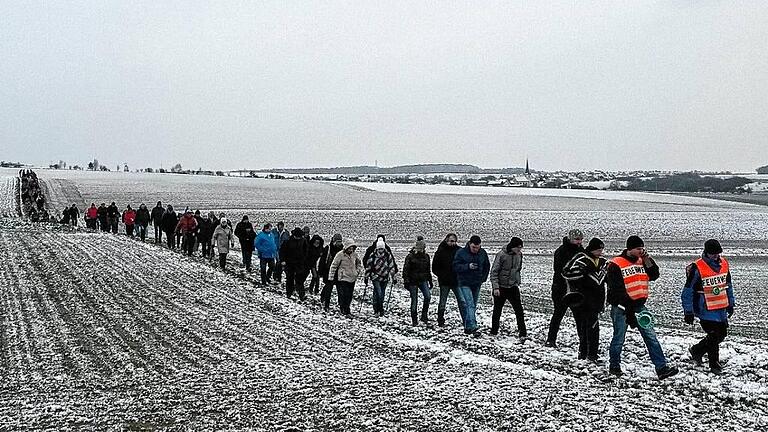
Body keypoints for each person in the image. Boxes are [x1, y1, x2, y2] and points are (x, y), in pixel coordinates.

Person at [607, 236, 678, 379]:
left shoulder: (643, 261)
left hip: (639, 306)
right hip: (622, 308)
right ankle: (614, 366)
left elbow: (654, 275)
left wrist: (647, 260)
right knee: (619, 338)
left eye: (642, 248)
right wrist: (630, 311)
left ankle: (661, 368)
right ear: (629, 249)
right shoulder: (616, 264)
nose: (641, 251)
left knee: (651, 337)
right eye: (638, 248)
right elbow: (616, 290)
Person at [681, 239, 735, 375]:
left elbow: (728, 286)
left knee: (721, 335)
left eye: (718, 253)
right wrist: (688, 311)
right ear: (706, 252)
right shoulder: (697, 268)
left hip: (720, 308)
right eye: (713, 254)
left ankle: (697, 350)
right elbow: (687, 291)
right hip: (704, 309)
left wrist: (731, 303)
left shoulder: (724, 264)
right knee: (713, 335)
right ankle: (714, 364)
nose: (716, 256)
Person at [562, 238, 608, 362]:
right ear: (592, 249)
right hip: (582, 300)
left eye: (602, 249)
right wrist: (581, 273)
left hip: (597, 300)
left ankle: (592, 353)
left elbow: (607, 279)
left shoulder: (604, 262)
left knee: (594, 327)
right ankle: (583, 352)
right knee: (583, 327)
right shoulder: (581, 259)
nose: (600, 252)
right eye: (598, 249)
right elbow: (566, 272)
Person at [546, 229, 585, 348]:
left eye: (580, 239)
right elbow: (559, 270)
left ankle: (583, 342)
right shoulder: (561, 251)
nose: (579, 242)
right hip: (561, 289)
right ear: (570, 239)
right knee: (558, 314)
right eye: (576, 239)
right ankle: (551, 340)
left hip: (576, 290)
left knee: (579, 318)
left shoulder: (581, 251)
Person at [489, 237, 526, 339]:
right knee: (497, 310)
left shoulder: (519, 255)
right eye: (518, 248)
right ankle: (494, 331)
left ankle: (523, 332)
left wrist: (517, 281)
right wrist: (496, 287)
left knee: (519, 310)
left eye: (521, 248)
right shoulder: (501, 255)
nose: (519, 250)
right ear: (512, 246)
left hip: (513, 287)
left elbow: (518, 269)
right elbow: (494, 272)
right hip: (501, 287)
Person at [453, 235, 491, 335]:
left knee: (473, 305)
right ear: (470, 244)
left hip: (477, 283)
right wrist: (467, 266)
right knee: (470, 304)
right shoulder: (461, 253)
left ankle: (467, 326)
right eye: (474, 247)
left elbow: (487, 266)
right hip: (464, 282)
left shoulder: (482, 253)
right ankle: (473, 326)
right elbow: (455, 266)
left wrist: (483, 278)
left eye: (477, 247)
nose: (475, 249)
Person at [432, 233, 465, 327]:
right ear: (446, 240)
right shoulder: (440, 251)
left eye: (454, 241)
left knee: (462, 301)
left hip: (456, 281)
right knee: (442, 302)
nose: (453, 243)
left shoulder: (459, 251)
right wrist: (442, 276)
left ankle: (465, 320)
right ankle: (440, 320)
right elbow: (434, 267)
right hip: (444, 282)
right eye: (451, 241)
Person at [328, 238, 363, 316]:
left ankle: (346, 308)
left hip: (352, 278)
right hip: (342, 278)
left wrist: (357, 272)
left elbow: (359, 264)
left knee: (349, 295)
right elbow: (334, 266)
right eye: (349, 248)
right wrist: (331, 277)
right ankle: (344, 309)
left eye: (352, 248)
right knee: (343, 294)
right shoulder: (340, 254)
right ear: (346, 247)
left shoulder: (355, 255)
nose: (351, 250)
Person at [364, 237, 398, 316]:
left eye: (382, 249)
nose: (380, 251)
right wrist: (366, 277)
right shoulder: (372, 255)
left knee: (381, 294)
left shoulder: (387, 255)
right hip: (375, 277)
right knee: (379, 293)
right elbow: (368, 266)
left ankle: (378, 309)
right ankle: (378, 309)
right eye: (379, 249)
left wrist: (394, 277)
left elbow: (391, 266)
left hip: (385, 277)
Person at [403, 238, 433, 326]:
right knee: (414, 300)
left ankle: (424, 316)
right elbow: (406, 269)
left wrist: (430, 280)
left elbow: (428, 270)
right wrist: (406, 281)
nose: (421, 250)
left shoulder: (426, 256)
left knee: (427, 297)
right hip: (413, 281)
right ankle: (414, 319)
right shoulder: (410, 256)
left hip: (423, 280)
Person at [280, 227, 310, 300]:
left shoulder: (303, 241)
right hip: (289, 263)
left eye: (299, 237)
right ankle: (289, 293)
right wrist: (283, 261)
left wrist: (304, 260)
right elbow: (282, 251)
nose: (298, 238)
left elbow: (306, 251)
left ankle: (301, 295)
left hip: (299, 263)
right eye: (297, 237)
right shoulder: (287, 241)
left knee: (299, 280)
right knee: (290, 278)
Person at [319, 234, 344, 311]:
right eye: (337, 242)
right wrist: (320, 271)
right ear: (334, 241)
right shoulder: (328, 249)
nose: (338, 243)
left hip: (338, 272)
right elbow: (322, 261)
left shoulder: (343, 250)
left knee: (340, 290)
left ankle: (341, 306)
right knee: (328, 287)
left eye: (340, 241)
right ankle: (326, 304)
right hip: (328, 271)